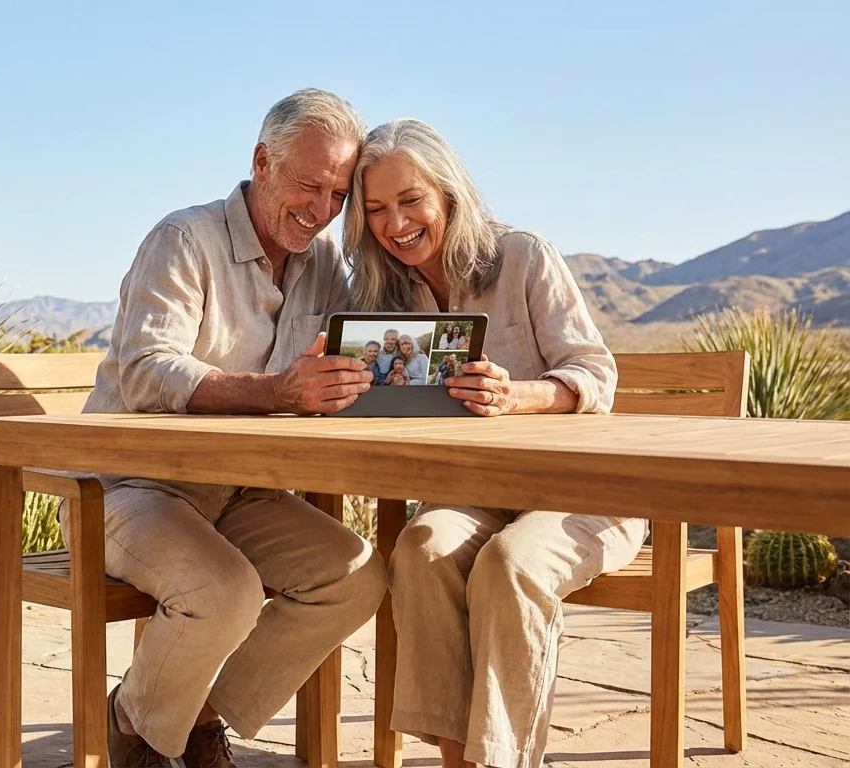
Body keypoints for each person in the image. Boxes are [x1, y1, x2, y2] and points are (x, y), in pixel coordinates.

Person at [79, 89, 390, 768]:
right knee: (224, 593)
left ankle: (190, 716)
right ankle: (136, 731)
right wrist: (277, 390)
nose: (321, 210)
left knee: (358, 577)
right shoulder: (183, 239)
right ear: (261, 161)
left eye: (338, 194)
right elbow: (146, 370)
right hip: (132, 487)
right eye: (310, 185)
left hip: (237, 493)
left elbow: (350, 356)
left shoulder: (325, 267)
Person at [343, 118, 642, 768]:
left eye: (410, 199)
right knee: (420, 547)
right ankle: (460, 760)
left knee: (510, 563)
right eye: (376, 209)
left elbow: (596, 374)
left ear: (447, 191)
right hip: (477, 495)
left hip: (583, 494)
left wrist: (520, 395)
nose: (396, 223)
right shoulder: (384, 300)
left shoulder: (523, 256)